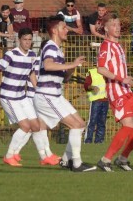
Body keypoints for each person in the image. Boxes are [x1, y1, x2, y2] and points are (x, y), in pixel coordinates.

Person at [33, 15, 97, 172]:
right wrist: (72, 63)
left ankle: (67, 160)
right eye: (64, 27)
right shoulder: (49, 46)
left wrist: (73, 67)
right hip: (47, 95)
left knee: (80, 124)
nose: (67, 30)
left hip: (55, 95)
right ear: (55, 30)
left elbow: (65, 78)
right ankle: (76, 164)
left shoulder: (58, 50)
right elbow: (48, 65)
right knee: (75, 125)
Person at [0, 28, 55, 167]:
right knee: (26, 127)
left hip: (21, 96)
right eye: (25, 39)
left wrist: (38, 88)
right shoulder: (11, 54)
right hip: (8, 96)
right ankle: (9, 156)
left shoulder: (32, 55)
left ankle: (45, 157)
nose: (27, 42)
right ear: (19, 40)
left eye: (30, 40)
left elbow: (31, 72)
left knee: (36, 126)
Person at [96, 13, 133, 172]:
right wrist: (121, 79)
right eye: (113, 25)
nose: (117, 28)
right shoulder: (106, 45)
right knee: (128, 126)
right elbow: (101, 68)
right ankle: (105, 159)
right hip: (116, 92)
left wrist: (126, 79)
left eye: (118, 25)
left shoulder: (119, 45)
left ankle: (123, 158)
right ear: (106, 28)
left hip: (127, 91)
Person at [83, 68, 108, 144]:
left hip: (105, 100)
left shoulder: (108, 72)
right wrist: (93, 87)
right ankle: (88, 141)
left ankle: (99, 141)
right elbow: (86, 85)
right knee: (92, 121)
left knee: (102, 122)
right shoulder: (92, 72)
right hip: (95, 100)